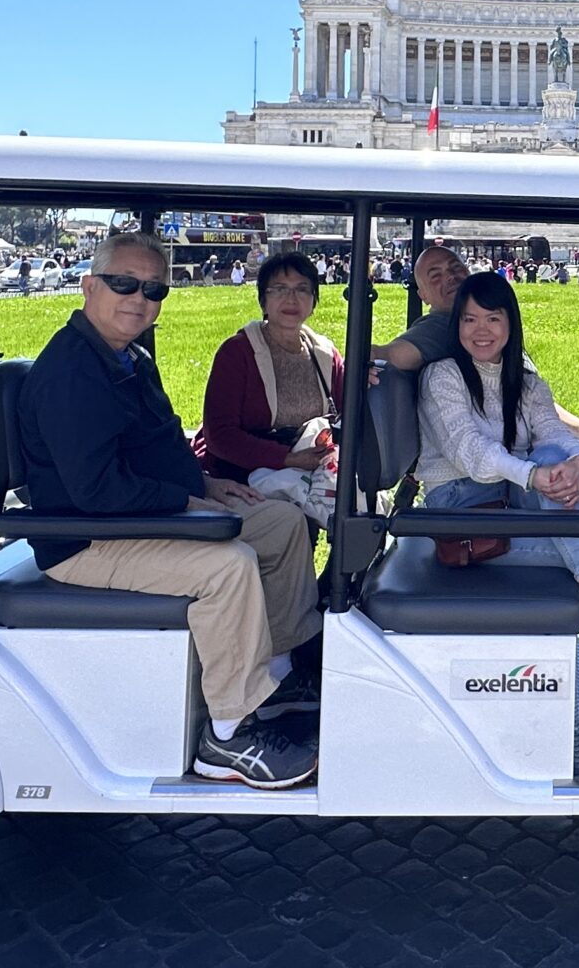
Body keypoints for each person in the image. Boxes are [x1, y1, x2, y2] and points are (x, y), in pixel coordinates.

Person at [17, 234, 323, 790]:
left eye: (152, 289)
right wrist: (188, 502)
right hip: (85, 538)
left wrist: (207, 484)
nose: (138, 298)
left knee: (279, 525)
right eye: (124, 284)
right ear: (89, 285)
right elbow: (96, 490)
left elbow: (158, 451)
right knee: (226, 565)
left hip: (136, 514)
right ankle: (228, 733)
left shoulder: (126, 356)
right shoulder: (72, 374)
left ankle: (271, 677)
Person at [381, 245, 579, 681]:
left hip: (527, 462)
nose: (449, 278)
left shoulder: (501, 346)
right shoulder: (441, 340)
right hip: (493, 481)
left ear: (509, 321)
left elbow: (536, 405)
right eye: (434, 275)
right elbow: (470, 446)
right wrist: (352, 358)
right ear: (423, 294)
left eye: (455, 267)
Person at [416, 274, 579, 751]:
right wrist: (535, 475)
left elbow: (554, 432)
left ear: (511, 323)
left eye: (493, 318)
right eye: (469, 319)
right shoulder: (443, 377)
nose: (481, 330)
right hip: (464, 511)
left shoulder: (525, 381)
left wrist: (575, 462)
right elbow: (471, 454)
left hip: (515, 498)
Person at [198, 251, 344, 524]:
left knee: (363, 511)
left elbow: (347, 412)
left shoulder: (326, 354)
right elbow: (219, 436)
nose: (292, 299)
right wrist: (288, 459)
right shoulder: (237, 352)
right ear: (263, 300)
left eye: (302, 289)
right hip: (242, 475)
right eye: (280, 289)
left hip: (310, 471)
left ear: (314, 302)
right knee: (291, 520)